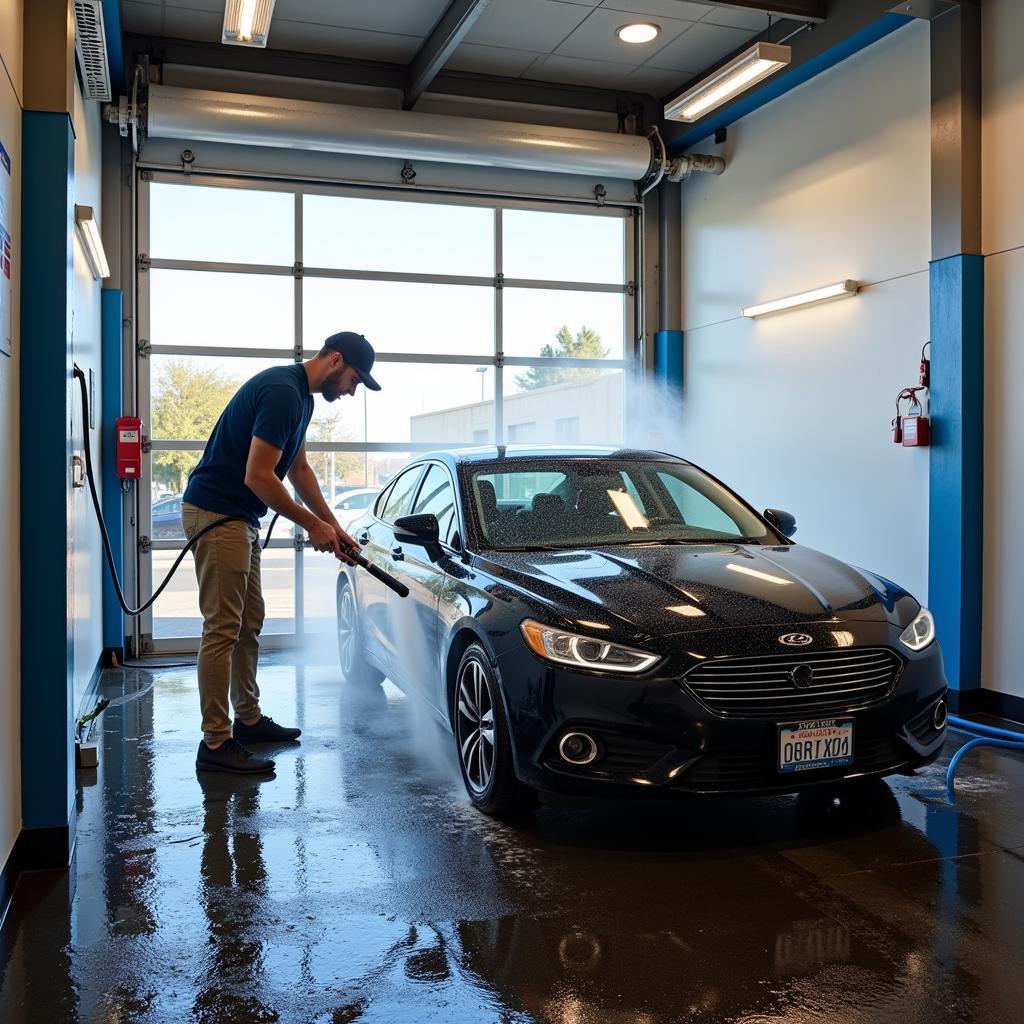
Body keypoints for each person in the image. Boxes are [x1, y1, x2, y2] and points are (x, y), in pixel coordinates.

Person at [181, 331, 381, 775]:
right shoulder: (282, 393)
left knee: (248, 622)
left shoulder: (300, 399)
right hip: (217, 512)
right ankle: (215, 743)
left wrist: (334, 526)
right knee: (222, 628)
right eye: (353, 380)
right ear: (335, 360)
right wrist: (311, 524)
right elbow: (258, 476)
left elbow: (299, 469)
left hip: (238, 517)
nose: (351, 391)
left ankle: (247, 720)